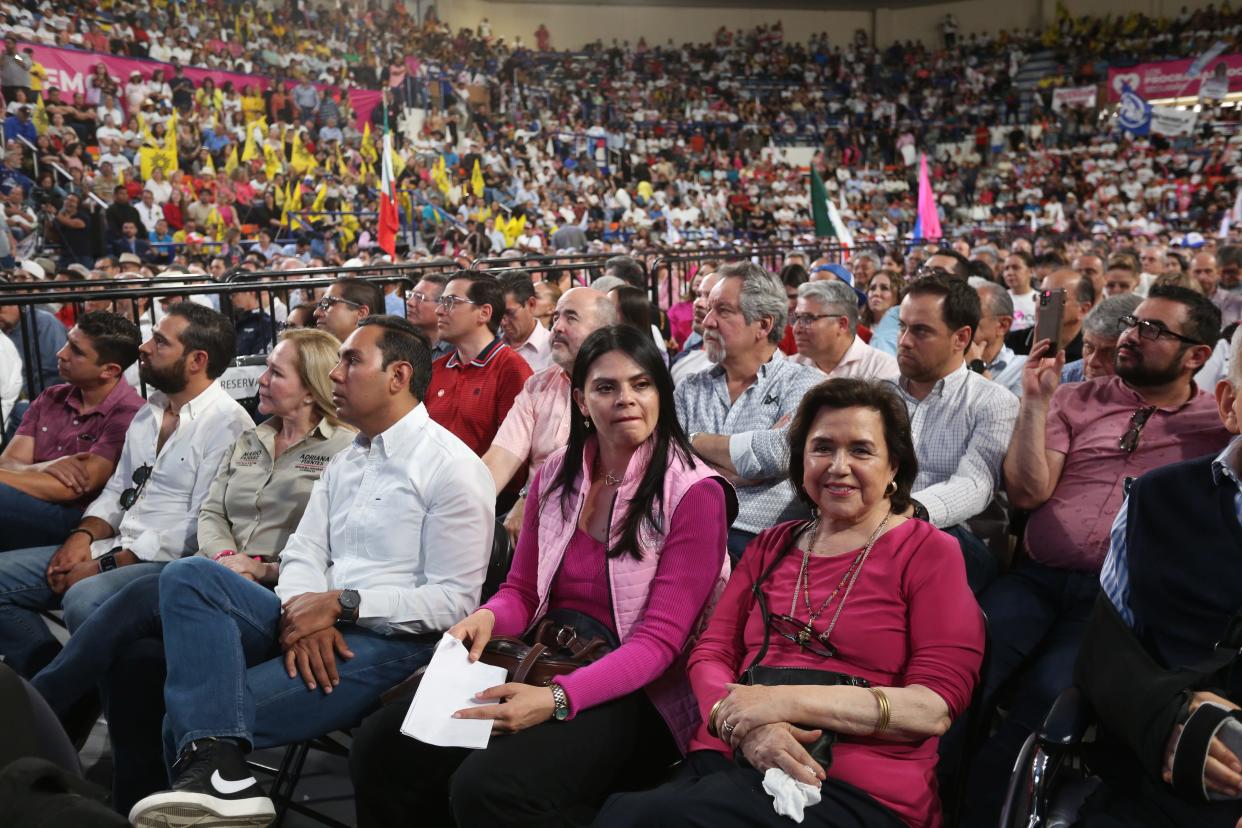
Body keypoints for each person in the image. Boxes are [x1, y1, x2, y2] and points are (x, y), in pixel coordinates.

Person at [350, 325, 735, 827]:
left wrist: (556, 699)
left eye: (642, 385)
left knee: (487, 786)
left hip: (637, 688)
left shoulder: (694, 492)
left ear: (661, 392)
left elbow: (658, 645)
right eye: (606, 387)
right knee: (384, 744)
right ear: (580, 400)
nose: (627, 400)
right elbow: (522, 591)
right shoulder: (556, 472)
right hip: (543, 654)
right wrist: (486, 618)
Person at [126, 316, 496, 826]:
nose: (336, 375)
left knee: (189, 722)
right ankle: (221, 778)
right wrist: (303, 614)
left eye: (351, 361)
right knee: (189, 576)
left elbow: (454, 603)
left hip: (395, 643)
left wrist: (343, 604)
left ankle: (218, 779)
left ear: (398, 376)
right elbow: (303, 552)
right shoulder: (348, 459)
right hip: (314, 619)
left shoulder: (452, 467)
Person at [596, 379, 984, 828]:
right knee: (624, 809)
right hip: (734, 753)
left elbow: (931, 707)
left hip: (851, 783)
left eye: (861, 450)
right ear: (801, 461)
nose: (838, 467)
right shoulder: (771, 546)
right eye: (822, 449)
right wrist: (747, 726)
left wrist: (777, 703)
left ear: (893, 465)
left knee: (640, 818)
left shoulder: (928, 551)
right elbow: (711, 654)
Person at [28, 328, 356, 809]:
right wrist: (226, 559)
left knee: (160, 585)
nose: (259, 380)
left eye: (275, 372)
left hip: (277, 596)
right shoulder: (251, 436)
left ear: (309, 387)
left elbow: (335, 549)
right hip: (212, 581)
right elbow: (211, 514)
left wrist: (259, 568)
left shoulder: (343, 451)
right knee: (134, 659)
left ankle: (42, 706)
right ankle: (130, 801)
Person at [962, 285, 1232, 826]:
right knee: (961, 666)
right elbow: (1028, 494)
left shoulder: (1213, 428)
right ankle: (919, 792)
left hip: (1112, 607)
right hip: (1035, 579)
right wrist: (1036, 402)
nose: (1132, 335)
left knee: (1044, 699)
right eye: (1134, 322)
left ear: (1198, 356)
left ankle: (977, 813)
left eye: (1154, 330)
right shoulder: (1076, 398)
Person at [0, 304, 251, 678]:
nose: (145, 347)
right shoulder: (150, 410)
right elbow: (118, 490)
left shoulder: (229, 425)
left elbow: (199, 526)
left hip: (166, 563)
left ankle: (70, 690)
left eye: (160, 342)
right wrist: (82, 537)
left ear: (197, 360)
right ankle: (60, 681)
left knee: (85, 599)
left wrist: (104, 564)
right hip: (114, 543)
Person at [1072, 326, 1242, 827]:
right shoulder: (1155, 500)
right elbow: (1105, 651)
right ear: (1230, 404)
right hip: (1154, 777)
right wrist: (1162, 716)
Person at [676, 262, 825, 561]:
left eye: (723, 311)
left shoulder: (806, 384)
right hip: (688, 531)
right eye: (708, 310)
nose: (707, 321)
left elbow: (779, 453)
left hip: (766, 542)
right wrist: (747, 462)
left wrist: (693, 442)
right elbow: (669, 464)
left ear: (763, 325)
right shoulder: (689, 387)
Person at [889, 273, 1018, 594]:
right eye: (902, 326)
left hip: (962, 538)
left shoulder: (994, 401)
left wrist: (904, 513)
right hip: (878, 529)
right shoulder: (877, 395)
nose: (904, 340)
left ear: (961, 338)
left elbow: (976, 483)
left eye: (920, 331)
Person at [483, 287, 616, 543]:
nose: (557, 327)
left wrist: (529, 498)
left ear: (603, 331)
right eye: (555, 318)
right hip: (530, 526)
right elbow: (499, 461)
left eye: (571, 318)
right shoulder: (538, 386)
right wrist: (458, 505)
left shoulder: (620, 387)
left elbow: (604, 470)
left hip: (596, 518)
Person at [0, 312, 143, 551]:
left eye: (76, 351)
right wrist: (41, 467)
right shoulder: (51, 396)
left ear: (108, 370)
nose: (61, 353)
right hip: (22, 501)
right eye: (68, 341)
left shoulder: (129, 414)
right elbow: (8, 461)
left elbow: (70, 489)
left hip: (75, 521)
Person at [425, 271, 532, 457]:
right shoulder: (436, 369)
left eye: (451, 302)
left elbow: (514, 456)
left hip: (487, 484)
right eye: (442, 301)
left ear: (484, 313)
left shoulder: (512, 369)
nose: (439, 310)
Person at [790, 280, 898, 381]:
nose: (796, 329)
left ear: (842, 324)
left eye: (807, 319)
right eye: (796, 318)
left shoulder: (881, 371)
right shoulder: (790, 368)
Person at [1004, 268, 1095, 361]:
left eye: (1056, 297)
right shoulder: (1010, 343)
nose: (1043, 304)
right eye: (1042, 295)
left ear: (1083, 310)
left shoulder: (1093, 354)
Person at [1060, 294, 1143, 384]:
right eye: (1089, 347)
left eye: (1111, 354)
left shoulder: (1153, 390)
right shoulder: (1062, 380)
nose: (1092, 362)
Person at [0, 294, 69, 395]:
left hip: (38, 397)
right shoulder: (5, 327)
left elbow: (53, 373)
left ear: (15, 303)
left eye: (0, 307)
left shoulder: (44, 323)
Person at [969, 279, 1025, 397]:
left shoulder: (1024, 368)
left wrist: (976, 366)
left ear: (1003, 325)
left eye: (972, 315)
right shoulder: (949, 361)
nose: (961, 322)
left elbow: (1006, 413)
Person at [671, 268, 723, 386]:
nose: (698, 303)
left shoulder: (737, 366)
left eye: (710, 297)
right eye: (698, 295)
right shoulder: (682, 358)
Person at [499, 271, 552, 372]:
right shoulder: (490, 345)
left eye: (510, 313)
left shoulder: (552, 349)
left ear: (531, 304)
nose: (502, 322)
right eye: (498, 314)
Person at [313, 277, 383, 342]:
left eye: (329, 302)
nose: (316, 313)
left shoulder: (379, 354)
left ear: (361, 313)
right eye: (320, 304)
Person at [404, 272, 454, 361]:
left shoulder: (457, 351)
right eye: (410, 295)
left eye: (419, 297)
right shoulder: (404, 344)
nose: (409, 302)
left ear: (442, 305)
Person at [1193, 249, 1242, 327]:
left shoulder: (1236, 301)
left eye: (1208, 271)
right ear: (1189, 273)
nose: (1202, 277)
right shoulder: (1180, 301)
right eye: (1197, 272)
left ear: (1217, 272)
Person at [1002, 250, 1038, 331]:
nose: (1009, 273)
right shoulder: (999, 299)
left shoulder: (1041, 299)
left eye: (1015, 268)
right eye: (1006, 268)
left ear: (1031, 271)